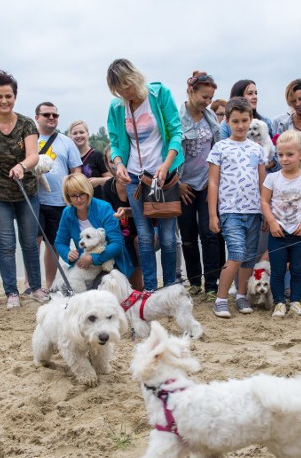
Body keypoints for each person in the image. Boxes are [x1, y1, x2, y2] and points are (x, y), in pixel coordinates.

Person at [106, 58, 184, 292]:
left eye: (127, 87)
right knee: (145, 237)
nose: (125, 93)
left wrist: (166, 165)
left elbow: (176, 132)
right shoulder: (117, 106)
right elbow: (116, 142)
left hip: (164, 177)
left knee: (169, 238)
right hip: (135, 179)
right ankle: (150, 289)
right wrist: (118, 164)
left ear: (135, 78)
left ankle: (170, 286)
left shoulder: (159, 95)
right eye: (119, 90)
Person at [0, 70, 46, 309]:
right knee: (6, 243)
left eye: (8, 96)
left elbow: (34, 155)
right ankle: (11, 292)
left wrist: (22, 166)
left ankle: (35, 287)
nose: (4, 101)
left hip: (26, 192)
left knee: (29, 242)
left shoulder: (26, 124)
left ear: (15, 96)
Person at [207, 97, 266, 318]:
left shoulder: (257, 149)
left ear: (251, 119)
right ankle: (221, 298)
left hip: (254, 211)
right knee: (236, 254)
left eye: (244, 120)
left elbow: (263, 182)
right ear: (228, 122)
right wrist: (213, 214)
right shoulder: (220, 148)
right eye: (235, 121)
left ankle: (241, 295)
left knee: (249, 257)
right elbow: (213, 183)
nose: (240, 125)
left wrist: (266, 212)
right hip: (230, 211)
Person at [261, 130, 301, 318]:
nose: (284, 159)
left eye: (289, 155)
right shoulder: (272, 178)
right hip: (278, 233)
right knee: (277, 271)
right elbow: (264, 201)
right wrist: (271, 222)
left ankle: (295, 301)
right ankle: (279, 302)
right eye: (280, 155)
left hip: (300, 234)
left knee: (297, 270)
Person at [179, 71, 224, 298]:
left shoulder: (211, 119)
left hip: (207, 184)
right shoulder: (176, 118)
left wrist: (214, 181)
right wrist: (176, 183)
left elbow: (217, 152)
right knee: (187, 235)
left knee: (209, 233)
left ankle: (212, 284)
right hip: (183, 187)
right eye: (204, 97)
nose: (208, 102)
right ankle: (194, 281)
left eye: (210, 98)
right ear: (191, 92)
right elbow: (167, 152)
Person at [33, 101, 82, 289]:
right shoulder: (30, 139)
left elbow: (76, 172)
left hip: (59, 202)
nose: (52, 118)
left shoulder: (66, 142)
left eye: (55, 115)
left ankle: (49, 284)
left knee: (52, 244)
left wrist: (75, 199)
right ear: (37, 117)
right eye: (47, 115)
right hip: (34, 199)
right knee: (33, 243)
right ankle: (32, 284)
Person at [54, 174, 133, 284]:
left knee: (99, 289)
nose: (78, 199)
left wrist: (93, 258)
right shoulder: (67, 213)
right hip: (84, 266)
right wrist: (67, 254)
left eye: (82, 194)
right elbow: (60, 242)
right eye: (73, 195)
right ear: (68, 197)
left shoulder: (104, 208)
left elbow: (117, 244)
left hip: (110, 263)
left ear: (88, 192)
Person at [93, 146, 142, 290]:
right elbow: (108, 216)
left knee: (138, 241)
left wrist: (128, 211)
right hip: (122, 235)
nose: (115, 164)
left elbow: (149, 212)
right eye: (111, 161)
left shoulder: (138, 181)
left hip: (144, 231)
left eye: (117, 159)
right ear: (107, 164)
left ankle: (146, 280)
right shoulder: (108, 186)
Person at [68, 120, 110, 188]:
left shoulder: (98, 156)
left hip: (96, 197)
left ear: (87, 134)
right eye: (75, 133)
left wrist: (99, 181)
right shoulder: (68, 158)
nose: (78, 135)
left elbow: (111, 178)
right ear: (70, 136)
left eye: (81, 132)